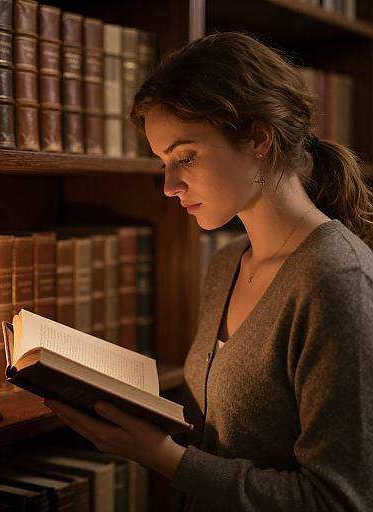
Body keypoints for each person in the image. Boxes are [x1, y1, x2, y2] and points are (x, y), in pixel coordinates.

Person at [44, 31, 373, 511]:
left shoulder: (336, 281)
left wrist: (165, 459)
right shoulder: (226, 263)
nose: (170, 186)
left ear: (259, 139)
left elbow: (340, 501)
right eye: (163, 163)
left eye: (186, 157)